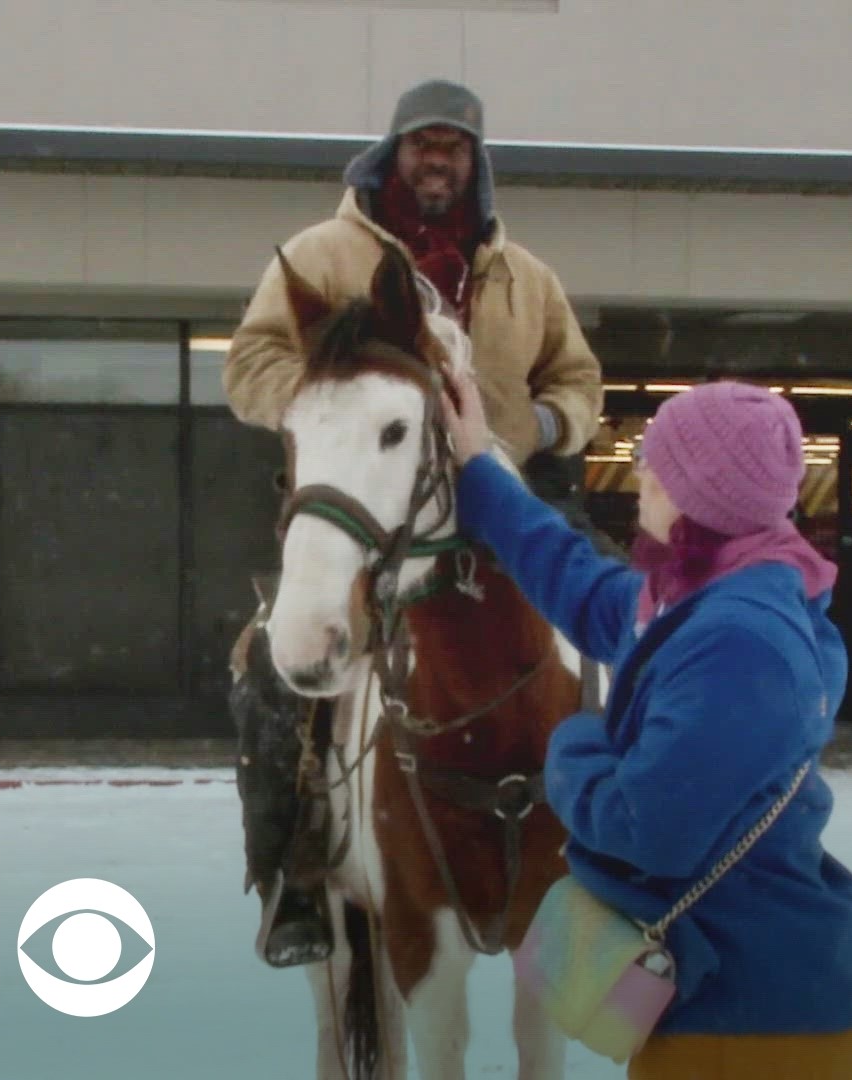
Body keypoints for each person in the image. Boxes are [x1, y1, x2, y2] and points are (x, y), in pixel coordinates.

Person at [221, 77, 606, 966]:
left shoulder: (525, 276)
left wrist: (539, 427)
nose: (437, 159)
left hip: (508, 504)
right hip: (365, 513)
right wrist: (331, 410)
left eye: (455, 146)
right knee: (271, 677)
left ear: (478, 165)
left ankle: (623, 849)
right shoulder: (322, 254)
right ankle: (298, 878)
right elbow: (249, 364)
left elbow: (577, 382)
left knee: (623, 633)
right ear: (392, 154)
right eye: (421, 144)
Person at [439, 376, 852, 1079]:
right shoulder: (705, 598)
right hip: (727, 992)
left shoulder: (738, 640)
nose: (640, 470)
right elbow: (581, 586)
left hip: (752, 1021)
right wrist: (479, 471)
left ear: (700, 494)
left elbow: (651, 833)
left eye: (657, 459)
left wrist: (570, 744)